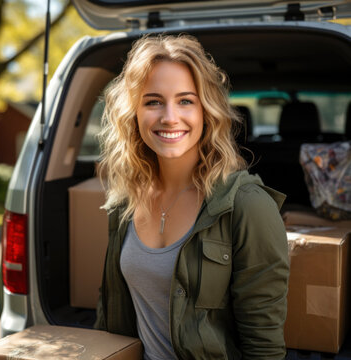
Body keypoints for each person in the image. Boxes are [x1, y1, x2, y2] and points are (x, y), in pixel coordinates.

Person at [94, 34, 290, 359]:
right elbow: (110, 313)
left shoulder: (248, 206)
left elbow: (264, 347)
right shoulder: (124, 203)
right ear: (134, 113)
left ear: (206, 111)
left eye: (186, 100)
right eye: (153, 101)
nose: (170, 116)